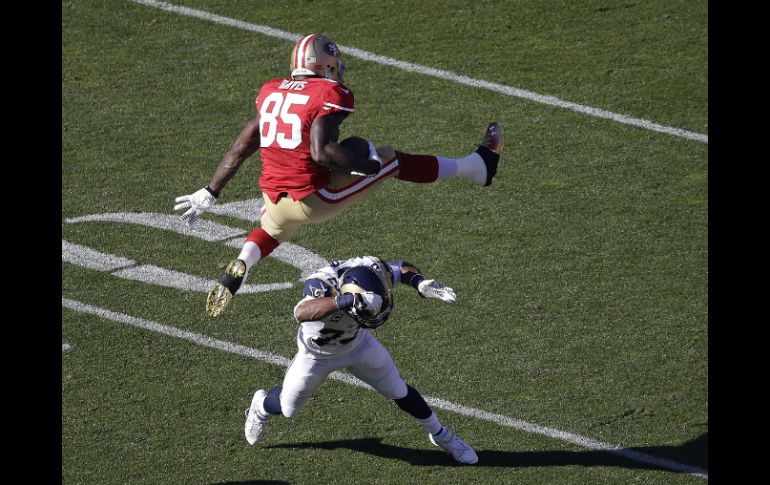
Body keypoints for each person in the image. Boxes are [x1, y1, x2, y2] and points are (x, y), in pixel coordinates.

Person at [173, 34, 504, 318]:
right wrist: (370, 166)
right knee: (391, 159)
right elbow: (322, 152)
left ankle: (243, 265)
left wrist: (210, 191)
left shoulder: (271, 90)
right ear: (323, 64)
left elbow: (240, 148)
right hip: (314, 198)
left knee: (274, 227)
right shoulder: (327, 94)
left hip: (273, 196)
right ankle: (477, 167)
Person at [243, 255, 478, 465]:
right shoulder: (320, 285)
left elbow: (400, 267)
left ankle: (442, 436)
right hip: (317, 355)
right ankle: (261, 406)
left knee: (397, 388)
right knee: (288, 408)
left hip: (358, 345)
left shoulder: (370, 269)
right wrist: (345, 302)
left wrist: (419, 282)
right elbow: (301, 312)